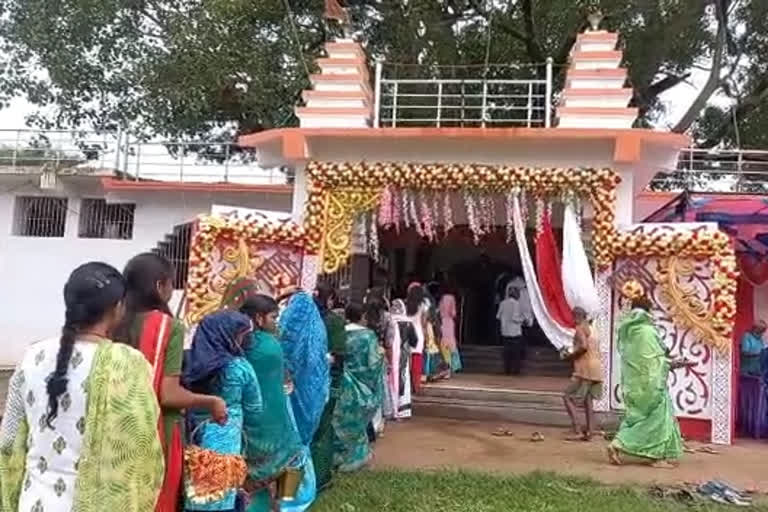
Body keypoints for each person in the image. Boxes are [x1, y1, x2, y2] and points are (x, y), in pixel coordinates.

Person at [0, 262, 164, 511]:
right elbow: (140, 450)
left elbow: (9, 441)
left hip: (33, 502)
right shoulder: (127, 364)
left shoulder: (32, 356)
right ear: (118, 307)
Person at [115, 252, 227, 511]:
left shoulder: (114, 322)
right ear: (159, 286)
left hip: (117, 427)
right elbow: (168, 394)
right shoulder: (169, 327)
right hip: (158, 430)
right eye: (170, 284)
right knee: (158, 499)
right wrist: (211, 401)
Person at [182, 311, 261, 511]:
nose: (244, 341)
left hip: (191, 436)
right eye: (241, 335)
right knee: (221, 494)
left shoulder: (189, 363)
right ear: (228, 336)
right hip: (225, 438)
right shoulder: (240, 368)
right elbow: (255, 408)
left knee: (194, 491)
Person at [608, 280, 688, 469]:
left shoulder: (630, 333)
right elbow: (654, 362)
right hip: (653, 386)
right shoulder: (647, 332)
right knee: (656, 420)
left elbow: (646, 360)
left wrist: (667, 362)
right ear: (648, 311)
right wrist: (674, 363)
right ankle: (655, 457)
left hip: (636, 385)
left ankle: (617, 443)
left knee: (639, 418)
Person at [278, 290, 330, 512]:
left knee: (292, 447)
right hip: (313, 395)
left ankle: (288, 499)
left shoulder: (286, 333)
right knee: (302, 444)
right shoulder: (317, 331)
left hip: (291, 396)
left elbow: (284, 362)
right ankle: (297, 497)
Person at [332, 303, 385, 472]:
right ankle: (355, 458)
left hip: (341, 382)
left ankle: (337, 457)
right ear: (363, 316)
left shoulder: (340, 333)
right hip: (362, 386)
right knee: (357, 423)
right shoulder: (368, 336)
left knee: (340, 421)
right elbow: (373, 364)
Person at [311, 283, 346, 492]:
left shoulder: (301, 320)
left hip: (301, 382)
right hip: (328, 381)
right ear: (330, 299)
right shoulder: (333, 321)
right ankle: (320, 476)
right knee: (323, 428)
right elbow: (340, 354)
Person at [562, 306, 604, 441]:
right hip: (596, 368)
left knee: (567, 397)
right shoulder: (593, 328)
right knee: (588, 400)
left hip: (584, 369)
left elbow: (584, 346)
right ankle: (590, 431)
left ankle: (577, 429)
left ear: (576, 316)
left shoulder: (580, 328)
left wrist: (571, 356)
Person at [389, 299, 417, 419]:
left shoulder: (389, 321)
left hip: (390, 356)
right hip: (404, 355)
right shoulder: (408, 323)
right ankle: (402, 409)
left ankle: (390, 407)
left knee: (390, 380)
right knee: (403, 379)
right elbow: (414, 341)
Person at [497, 287, 525, 375]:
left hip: (505, 331)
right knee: (516, 353)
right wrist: (523, 319)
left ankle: (507, 370)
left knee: (506, 352)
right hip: (515, 332)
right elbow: (515, 318)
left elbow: (498, 316)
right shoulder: (516, 304)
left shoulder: (502, 303)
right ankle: (516, 370)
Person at [405, 284, 428, 393]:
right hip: (418, 334)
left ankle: (407, 386)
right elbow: (424, 323)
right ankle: (416, 386)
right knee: (417, 361)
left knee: (406, 361)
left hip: (407, 333)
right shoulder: (422, 306)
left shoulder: (405, 304)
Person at [439, 285, 462, 376]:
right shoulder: (452, 298)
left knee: (444, 344)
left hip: (442, 322)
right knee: (452, 344)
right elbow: (453, 313)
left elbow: (440, 310)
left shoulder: (442, 298)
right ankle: (454, 366)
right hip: (449, 322)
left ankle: (446, 366)